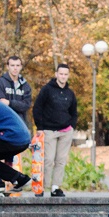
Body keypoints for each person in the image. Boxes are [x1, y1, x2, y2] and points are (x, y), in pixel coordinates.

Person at [32, 64, 78, 197]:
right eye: (61, 74)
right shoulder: (47, 90)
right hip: (49, 130)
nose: (63, 76)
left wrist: (72, 126)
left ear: (68, 76)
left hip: (65, 131)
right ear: (56, 74)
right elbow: (37, 108)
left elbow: (73, 111)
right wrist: (39, 127)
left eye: (65, 74)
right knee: (48, 159)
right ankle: (42, 187)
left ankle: (55, 187)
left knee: (61, 160)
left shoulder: (70, 93)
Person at [0, 56, 32, 126]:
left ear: (21, 67)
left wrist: (9, 103)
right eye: (12, 65)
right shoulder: (1, 82)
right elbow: (0, 103)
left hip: (20, 123)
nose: (15, 68)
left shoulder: (25, 85)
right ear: (7, 67)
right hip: (4, 122)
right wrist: (18, 105)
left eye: (17, 65)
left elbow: (26, 105)